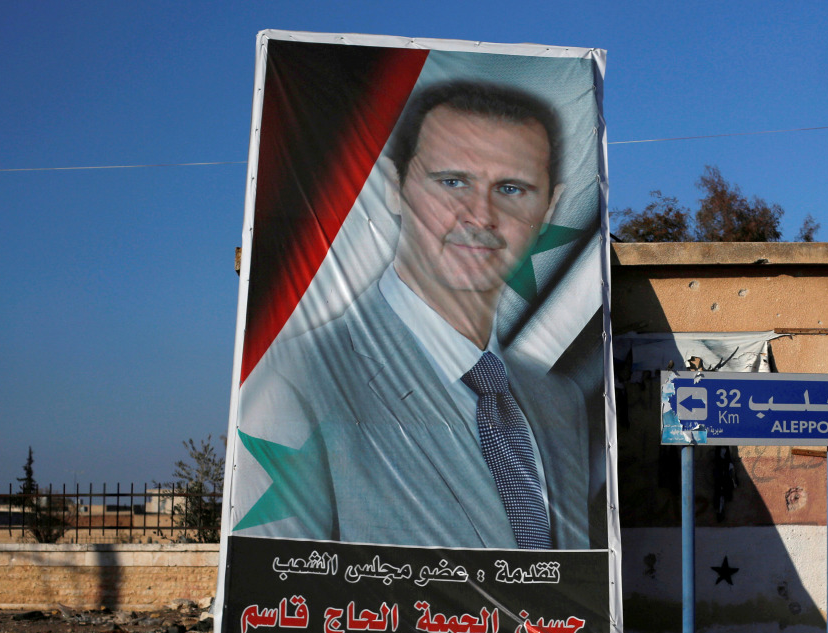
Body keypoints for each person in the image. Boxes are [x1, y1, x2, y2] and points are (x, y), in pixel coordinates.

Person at [233, 81, 591, 550]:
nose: (480, 215)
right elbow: (277, 581)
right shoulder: (295, 382)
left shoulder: (560, 402)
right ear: (393, 187)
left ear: (548, 209)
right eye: (452, 182)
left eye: (511, 188)